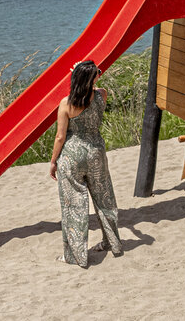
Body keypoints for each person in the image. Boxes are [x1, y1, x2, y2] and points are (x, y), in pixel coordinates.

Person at [49, 59, 123, 268]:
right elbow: (96, 85)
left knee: (74, 206)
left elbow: (60, 137)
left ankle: (76, 256)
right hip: (96, 153)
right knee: (104, 198)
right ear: (94, 78)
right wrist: (90, 74)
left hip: (72, 156)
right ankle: (112, 243)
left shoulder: (66, 104)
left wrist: (54, 161)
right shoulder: (102, 95)